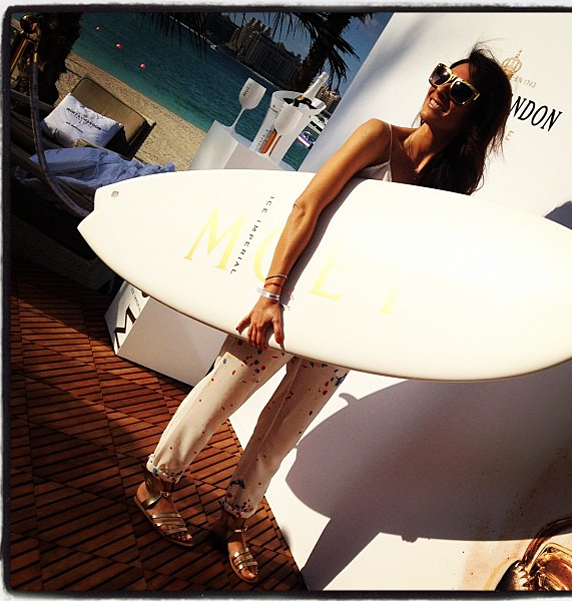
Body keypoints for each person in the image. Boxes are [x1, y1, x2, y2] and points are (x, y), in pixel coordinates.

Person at [134, 46, 512, 583]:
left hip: (344, 325)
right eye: (440, 76)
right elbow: (306, 205)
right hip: (288, 297)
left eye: (460, 90)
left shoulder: (451, 187)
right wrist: (270, 291)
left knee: (282, 431)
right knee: (222, 393)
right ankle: (157, 484)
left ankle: (233, 520)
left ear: (478, 113)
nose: (440, 89)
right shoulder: (380, 137)